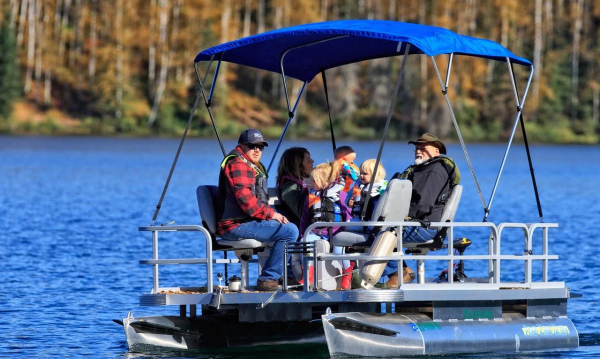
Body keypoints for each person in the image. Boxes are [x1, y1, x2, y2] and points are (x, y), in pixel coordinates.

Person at [217, 129, 299, 291]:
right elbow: (246, 200)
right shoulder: (238, 165)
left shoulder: (250, 165)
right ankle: (268, 279)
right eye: (252, 146)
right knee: (290, 231)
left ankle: (284, 274)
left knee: (291, 227)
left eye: (260, 147)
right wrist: (271, 214)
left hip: (245, 221)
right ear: (241, 146)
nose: (257, 150)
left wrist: (273, 215)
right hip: (235, 225)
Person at [383, 133, 460, 288]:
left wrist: (397, 217)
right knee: (373, 230)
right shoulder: (422, 169)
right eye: (417, 148)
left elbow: (422, 206)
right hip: (418, 224)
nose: (418, 151)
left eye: (423, 149)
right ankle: (399, 271)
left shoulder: (434, 171)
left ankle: (400, 272)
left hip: (425, 227)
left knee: (380, 233)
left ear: (436, 152)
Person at [276, 147, 314, 236]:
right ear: (298, 166)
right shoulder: (290, 188)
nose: (312, 161)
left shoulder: (303, 184)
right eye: (308, 160)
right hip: (300, 232)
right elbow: (302, 213)